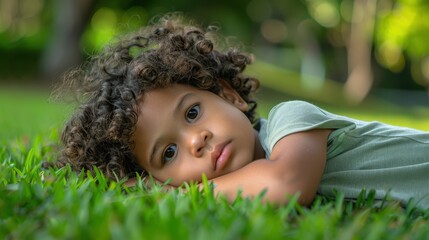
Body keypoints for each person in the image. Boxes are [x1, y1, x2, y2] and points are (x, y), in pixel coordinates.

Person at [55, 14, 429, 208]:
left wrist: (164, 195)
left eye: (192, 113)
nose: (196, 140)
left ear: (229, 94)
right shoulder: (243, 193)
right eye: (169, 153)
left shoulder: (290, 120)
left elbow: (286, 184)